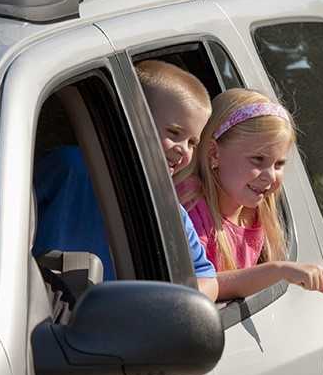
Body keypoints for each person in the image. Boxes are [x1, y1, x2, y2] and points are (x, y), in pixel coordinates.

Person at [34, 60, 218, 301]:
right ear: (130, 121)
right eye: (174, 133)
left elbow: (206, 277)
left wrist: (172, 302)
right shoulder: (70, 167)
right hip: (41, 312)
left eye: (192, 143)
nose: (183, 150)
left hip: (118, 327)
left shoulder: (169, 208)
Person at [177, 88, 323, 301]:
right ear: (214, 153)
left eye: (279, 164)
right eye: (257, 160)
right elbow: (203, 286)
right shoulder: (190, 209)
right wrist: (277, 270)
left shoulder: (257, 213)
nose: (270, 176)